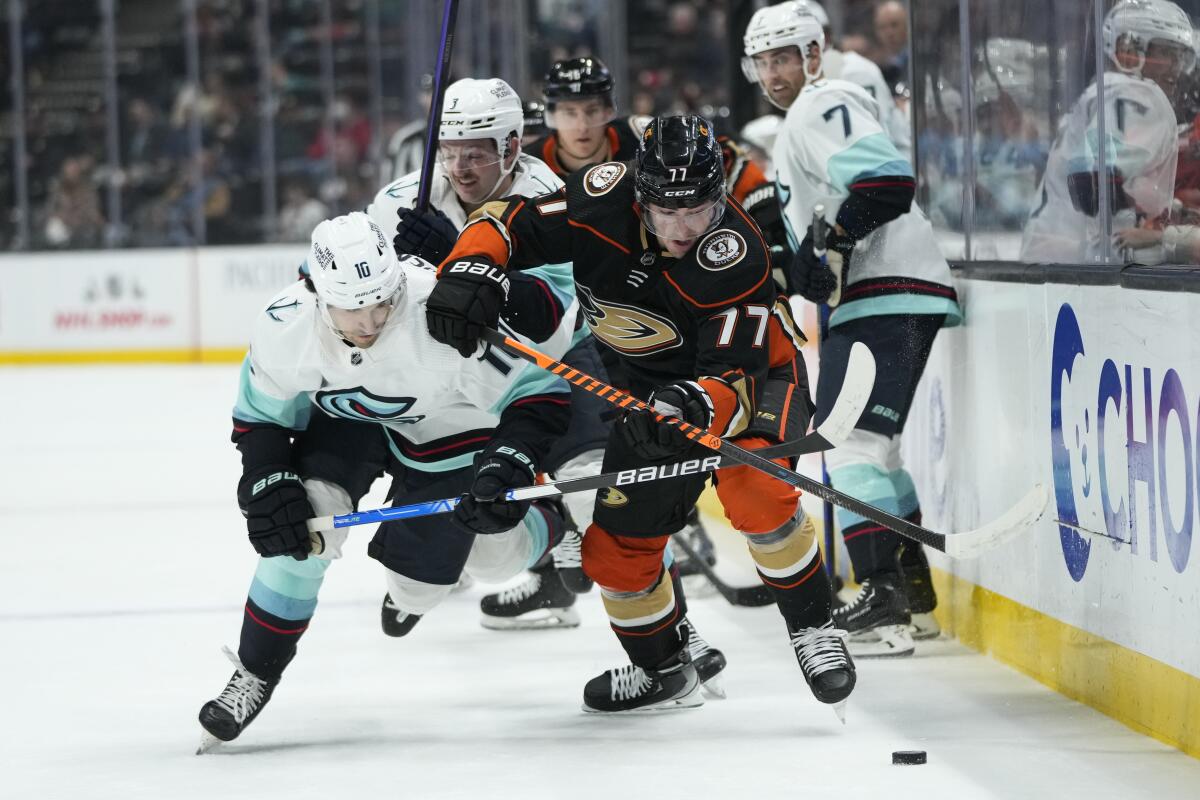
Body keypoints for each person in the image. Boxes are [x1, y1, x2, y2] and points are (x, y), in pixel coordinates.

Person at [422, 114, 855, 714]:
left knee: (756, 491)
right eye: (667, 211)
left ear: (720, 197)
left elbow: (731, 378)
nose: (684, 228)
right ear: (638, 195)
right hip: (647, 399)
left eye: (699, 209)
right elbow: (505, 224)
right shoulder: (601, 198)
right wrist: (469, 269)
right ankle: (665, 671)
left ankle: (813, 627)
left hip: (750, 383)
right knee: (613, 554)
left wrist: (690, 407)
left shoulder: (736, 255)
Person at [370, 78, 727, 694]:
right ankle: (526, 555)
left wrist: (456, 254)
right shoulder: (403, 199)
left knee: (598, 492)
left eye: (478, 148)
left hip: (560, 364)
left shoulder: (551, 196)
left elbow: (555, 317)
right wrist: (398, 271)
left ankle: (675, 634)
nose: (459, 163)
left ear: (511, 145)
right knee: (481, 519)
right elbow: (356, 302)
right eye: (450, 147)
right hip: (459, 382)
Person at [196, 212, 574, 748]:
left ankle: (552, 526)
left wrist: (509, 459)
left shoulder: (435, 310)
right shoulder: (287, 324)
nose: (370, 322)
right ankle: (255, 672)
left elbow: (540, 391)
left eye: (382, 302)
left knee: (479, 562)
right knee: (303, 525)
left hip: (447, 427)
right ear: (319, 293)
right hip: (350, 424)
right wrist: (266, 476)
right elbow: (260, 416)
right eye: (353, 308)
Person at [742, 3, 962, 657]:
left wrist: (835, 241)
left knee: (850, 445)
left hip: (884, 290)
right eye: (765, 61)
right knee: (877, 450)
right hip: (889, 293)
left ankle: (883, 599)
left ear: (816, 52)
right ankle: (913, 599)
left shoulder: (822, 101)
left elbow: (888, 183)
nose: (777, 72)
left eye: (788, 56)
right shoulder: (810, 112)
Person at [1022, 0, 1191, 265]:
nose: (1176, 68)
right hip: (1073, 270)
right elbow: (1093, 183)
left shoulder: (1102, 93)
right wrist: (1157, 234)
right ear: (1129, 50)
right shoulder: (1138, 94)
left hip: (1049, 259)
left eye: (1180, 56)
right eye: (1167, 53)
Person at [796, 0, 912, 159]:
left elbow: (877, 146)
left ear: (827, 37)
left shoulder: (855, 72)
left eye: (806, 43)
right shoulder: (807, 85)